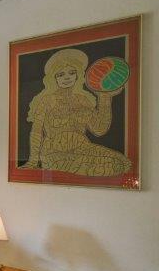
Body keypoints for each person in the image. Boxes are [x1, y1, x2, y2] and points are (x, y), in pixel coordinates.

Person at [23, 48, 130, 177]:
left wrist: (105, 98)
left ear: (77, 75)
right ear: (53, 78)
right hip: (55, 154)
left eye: (72, 73)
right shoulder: (47, 100)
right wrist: (33, 161)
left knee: (122, 162)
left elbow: (99, 129)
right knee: (107, 167)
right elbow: (36, 132)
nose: (67, 77)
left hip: (83, 148)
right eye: (60, 74)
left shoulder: (83, 100)